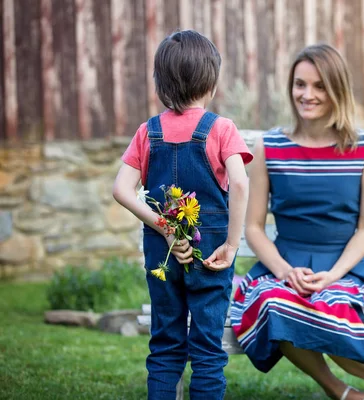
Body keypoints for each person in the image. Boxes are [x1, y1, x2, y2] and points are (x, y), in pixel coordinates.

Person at [230, 44, 364, 400]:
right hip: (283, 269)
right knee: (276, 304)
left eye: (319, 86)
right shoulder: (269, 147)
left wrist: (335, 274)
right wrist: (284, 272)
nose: (307, 95)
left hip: (346, 269)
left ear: (337, 89)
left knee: (333, 306)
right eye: (300, 84)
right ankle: (344, 393)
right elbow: (253, 228)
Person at [112, 30, 252, 400]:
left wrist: (166, 230)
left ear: (160, 83)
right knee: (207, 350)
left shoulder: (147, 132)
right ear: (212, 81)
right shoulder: (221, 129)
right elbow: (239, 184)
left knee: (165, 346)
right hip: (211, 254)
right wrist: (233, 244)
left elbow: (121, 190)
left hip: (162, 256)